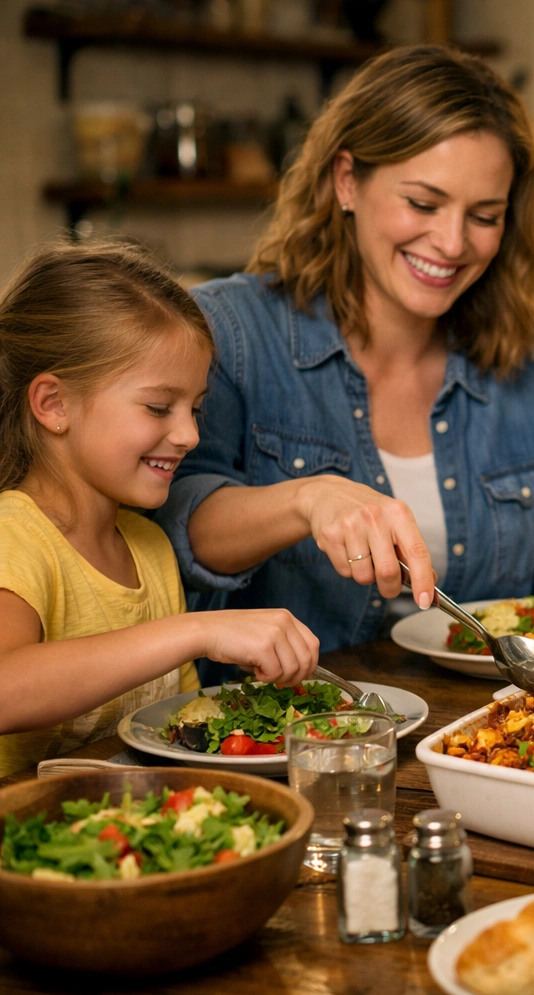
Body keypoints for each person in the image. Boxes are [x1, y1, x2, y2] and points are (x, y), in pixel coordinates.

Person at [155, 45, 534, 663]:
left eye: (484, 215)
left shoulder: (532, 357)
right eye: (423, 204)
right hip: (291, 733)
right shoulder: (231, 331)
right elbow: (173, 534)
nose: (453, 242)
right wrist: (305, 498)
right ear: (347, 180)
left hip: (478, 728)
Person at [0, 242, 319, 777]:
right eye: (157, 407)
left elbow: (178, 732)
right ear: (53, 405)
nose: (190, 434)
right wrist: (196, 631)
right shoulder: (15, 534)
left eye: (195, 408)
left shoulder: (147, 547)